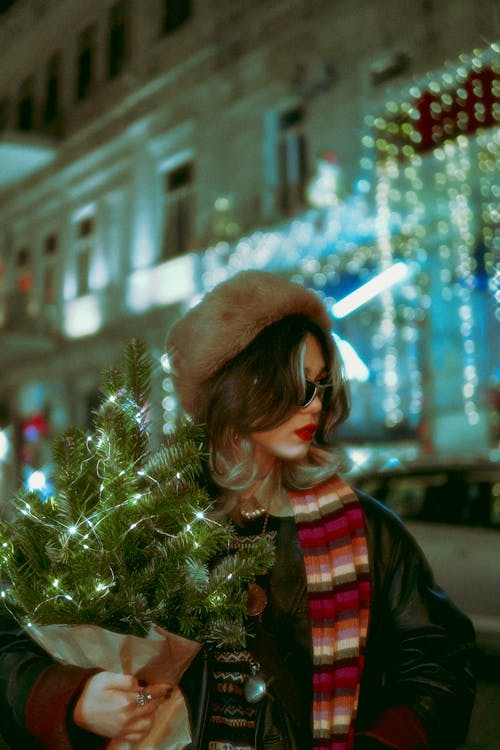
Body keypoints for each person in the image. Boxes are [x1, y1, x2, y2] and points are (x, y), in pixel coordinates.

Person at [0, 270, 475, 750]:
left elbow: (439, 664)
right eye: (296, 385)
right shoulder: (143, 522)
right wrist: (77, 699)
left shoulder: (364, 530)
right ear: (236, 387)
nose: (315, 406)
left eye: (320, 386)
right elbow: (15, 640)